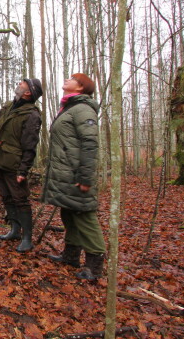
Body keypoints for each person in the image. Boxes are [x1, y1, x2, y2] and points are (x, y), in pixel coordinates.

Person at [42, 73, 106, 280]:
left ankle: (94, 265)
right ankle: (70, 256)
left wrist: (85, 177)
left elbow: (90, 144)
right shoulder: (69, 108)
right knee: (69, 213)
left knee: (84, 215)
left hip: (75, 173)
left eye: (72, 78)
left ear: (80, 87)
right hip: (65, 173)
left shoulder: (83, 110)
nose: (66, 79)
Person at [0, 78, 42, 253]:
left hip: (15, 164)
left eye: (22, 84)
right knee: (6, 196)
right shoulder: (8, 107)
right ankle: (15, 230)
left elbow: (30, 145)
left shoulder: (32, 115)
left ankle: (27, 238)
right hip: (0, 159)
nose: (18, 84)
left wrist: (23, 170)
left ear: (28, 92)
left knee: (20, 199)